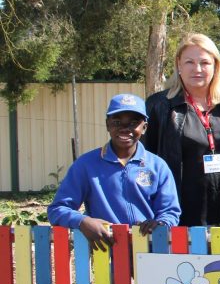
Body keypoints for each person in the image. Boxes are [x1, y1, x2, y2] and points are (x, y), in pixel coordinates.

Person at [144, 33, 220, 226]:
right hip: (181, 219)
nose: (198, 69)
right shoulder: (159, 106)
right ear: (179, 65)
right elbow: (144, 163)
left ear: (216, 66)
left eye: (205, 62)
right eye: (189, 62)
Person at [49, 94, 181, 249]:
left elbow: (170, 211)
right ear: (107, 125)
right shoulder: (86, 165)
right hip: (107, 254)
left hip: (150, 251)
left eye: (133, 123)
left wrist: (161, 223)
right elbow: (57, 209)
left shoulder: (157, 166)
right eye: (117, 122)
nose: (125, 129)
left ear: (144, 127)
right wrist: (82, 221)